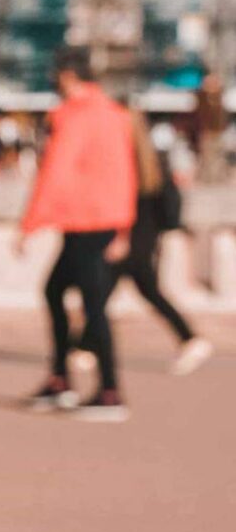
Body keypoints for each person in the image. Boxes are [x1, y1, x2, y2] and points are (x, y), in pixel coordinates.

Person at [16, 47, 138, 419]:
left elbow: (56, 171)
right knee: (68, 295)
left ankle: (107, 390)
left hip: (85, 222)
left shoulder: (73, 116)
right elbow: (125, 173)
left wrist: (30, 223)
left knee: (88, 304)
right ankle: (62, 379)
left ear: (68, 77)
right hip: (103, 221)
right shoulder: (114, 114)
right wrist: (124, 226)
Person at [111, 106, 212, 374]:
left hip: (132, 237)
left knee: (113, 287)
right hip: (146, 236)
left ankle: (190, 338)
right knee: (141, 289)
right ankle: (189, 338)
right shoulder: (152, 160)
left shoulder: (129, 159)